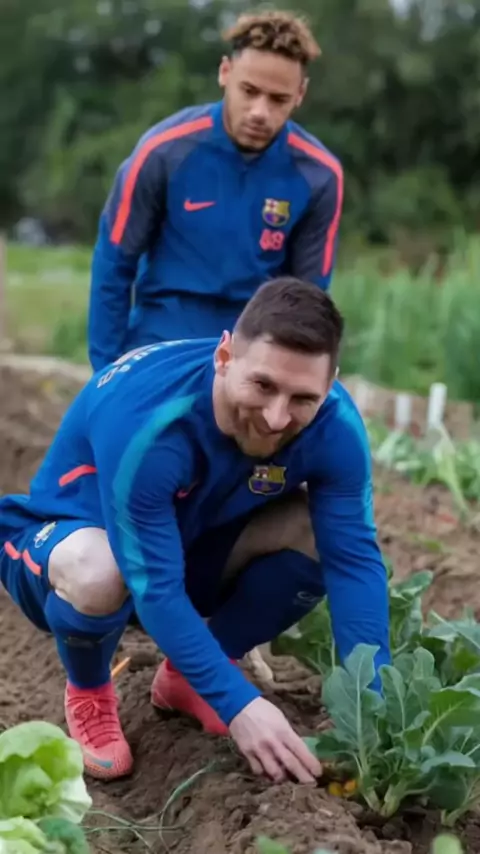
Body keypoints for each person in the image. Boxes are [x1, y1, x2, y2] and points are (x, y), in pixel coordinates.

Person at [0, 278, 389, 784]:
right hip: (72, 543)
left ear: (331, 382)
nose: (276, 418)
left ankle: (189, 678)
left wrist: (371, 714)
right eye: (263, 386)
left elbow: (354, 563)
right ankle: (90, 690)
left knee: (317, 531)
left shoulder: (335, 426)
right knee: (102, 572)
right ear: (224, 356)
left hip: (189, 546)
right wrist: (239, 703)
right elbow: (155, 586)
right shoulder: (151, 422)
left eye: (302, 398)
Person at [88, 10, 344, 372]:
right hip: (161, 346)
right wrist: (106, 372)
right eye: (249, 91)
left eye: (278, 99)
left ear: (300, 94)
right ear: (225, 72)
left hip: (252, 358)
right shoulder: (163, 151)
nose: (260, 112)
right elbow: (113, 265)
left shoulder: (320, 175)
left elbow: (307, 301)